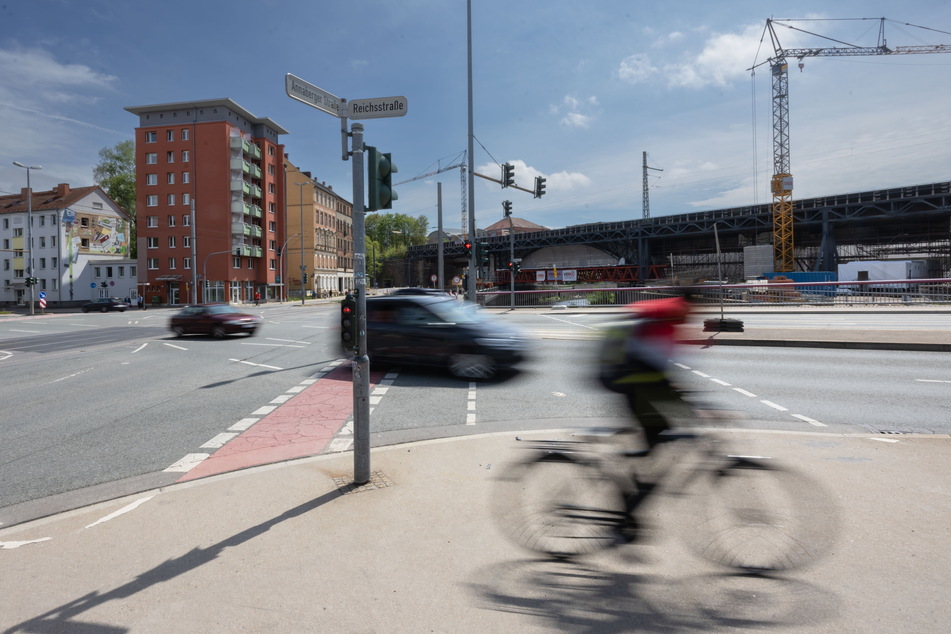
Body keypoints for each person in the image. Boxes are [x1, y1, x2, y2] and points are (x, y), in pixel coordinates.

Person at [598, 294, 692, 451]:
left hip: (618, 366)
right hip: (619, 371)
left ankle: (646, 453)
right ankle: (639, 462)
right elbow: (654, 363)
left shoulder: (663, 313)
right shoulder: (666, 316)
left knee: (658, 418)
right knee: (656, 420)